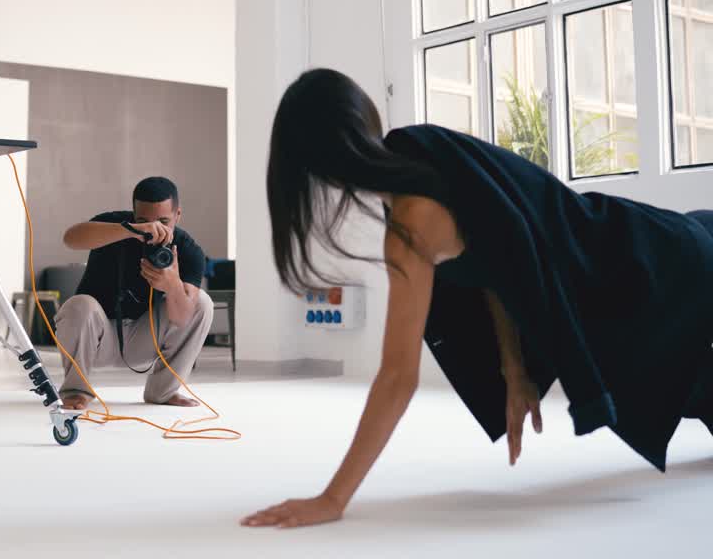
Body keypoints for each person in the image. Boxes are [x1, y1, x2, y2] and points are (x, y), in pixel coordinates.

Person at [243, 68, 713, 529]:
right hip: (653, 245)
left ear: (314, 167)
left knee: (680, 386)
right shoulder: (426, 151)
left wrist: (333, 497)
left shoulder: (412, 223)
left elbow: (396, 377)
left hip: (649, 282)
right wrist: (514, 371)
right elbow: (503, 257)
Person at [54, 177, 215, 410]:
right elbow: (70, 239)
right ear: (133, 213)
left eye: (163, 221)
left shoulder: (188, 249)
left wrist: (172, 287)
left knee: (202, 302)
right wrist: (129, 231)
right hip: (97, 338)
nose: (154, 230)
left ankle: (163, 391)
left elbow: (184, 318)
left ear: (178, 214)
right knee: (79, 305)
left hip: (146, 339)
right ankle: (76, 391)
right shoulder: (114, 226)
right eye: (144, 221)